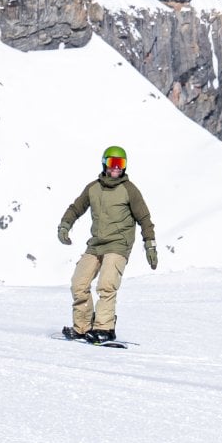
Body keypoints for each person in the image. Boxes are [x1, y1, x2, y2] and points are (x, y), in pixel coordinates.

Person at [57, 145, 157, 344]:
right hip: (96, 244)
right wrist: (64, 226)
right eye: (113, 163)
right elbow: (76, 208)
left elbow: (144, 219)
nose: (116, 168)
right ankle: (83, 327)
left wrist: (150, 245)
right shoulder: (93, 188)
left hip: (118, 244)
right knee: (79, 283)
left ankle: (105, 328)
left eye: (121, 164)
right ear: (104, 164)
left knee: (106, 285)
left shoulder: (129, 190)